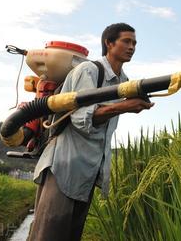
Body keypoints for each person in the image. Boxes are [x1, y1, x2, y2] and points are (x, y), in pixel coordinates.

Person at [28, 23, 154, 240]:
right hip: (65, 168)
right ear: (109, 43)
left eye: (134, 43)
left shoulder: (124, 83)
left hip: (87, 175)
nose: (132, 47)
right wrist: (124, 107)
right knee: (47, 235)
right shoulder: (89, 71)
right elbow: (81, 119)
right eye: (126, 41)